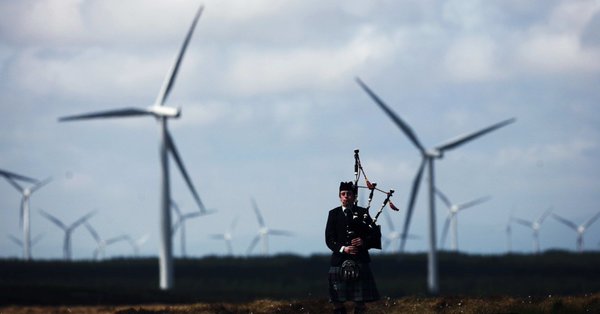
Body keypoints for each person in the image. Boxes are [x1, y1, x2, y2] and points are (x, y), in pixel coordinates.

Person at [325, 181, 381, 314]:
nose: (345, 197)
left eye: (349, 194)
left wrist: (364, 242)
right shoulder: (333, 214)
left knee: (360, 302)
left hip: (360, 260)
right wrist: (343, 248)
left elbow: (376, 235)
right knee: (336, 301)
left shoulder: (363, 213)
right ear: (339, 197)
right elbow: (329, 239)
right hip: (339, 261)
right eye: (343, 194)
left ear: (354, 196)